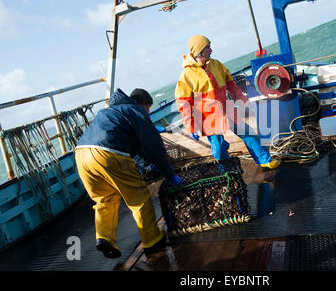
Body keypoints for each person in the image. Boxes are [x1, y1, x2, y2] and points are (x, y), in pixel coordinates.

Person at [75, 88, 182, 259]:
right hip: (108, 153)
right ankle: (152, 240)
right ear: (143, 104)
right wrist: (169, 173)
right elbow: (154, 146)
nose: (147, 113)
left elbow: (134, 149)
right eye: (148, 108)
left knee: (104, 199)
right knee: (139, 199)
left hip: (81, 155)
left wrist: (149, 165)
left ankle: (104, 238)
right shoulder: (135, 110)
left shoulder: (112, 111)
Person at [175, 35, 280, 169]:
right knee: (218, 148)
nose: (211, 50)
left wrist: (243, 100)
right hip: (207, 116)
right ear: (199, 50)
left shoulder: (216, 64)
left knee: (248, 133)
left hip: (226, 107)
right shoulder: (186, 75)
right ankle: (226, 171)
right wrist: (190, 126)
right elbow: (183, 103)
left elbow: (231, 84)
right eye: (208, 47)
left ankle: (265, 160)